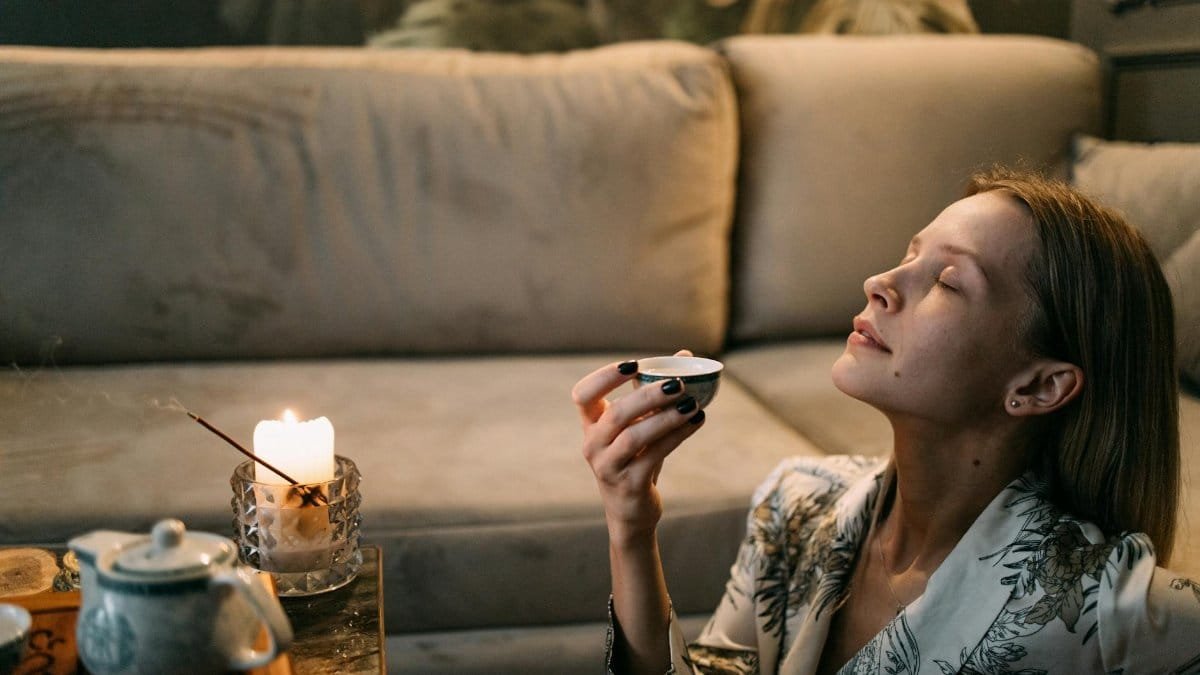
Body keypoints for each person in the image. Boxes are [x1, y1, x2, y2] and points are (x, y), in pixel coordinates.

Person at [572, 167, 1200, 674]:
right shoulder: (796, 504)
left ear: (1038, 385)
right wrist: (630, 525)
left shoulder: (1102, 607)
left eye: (949, 283)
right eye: (908, 255)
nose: (879, 283)